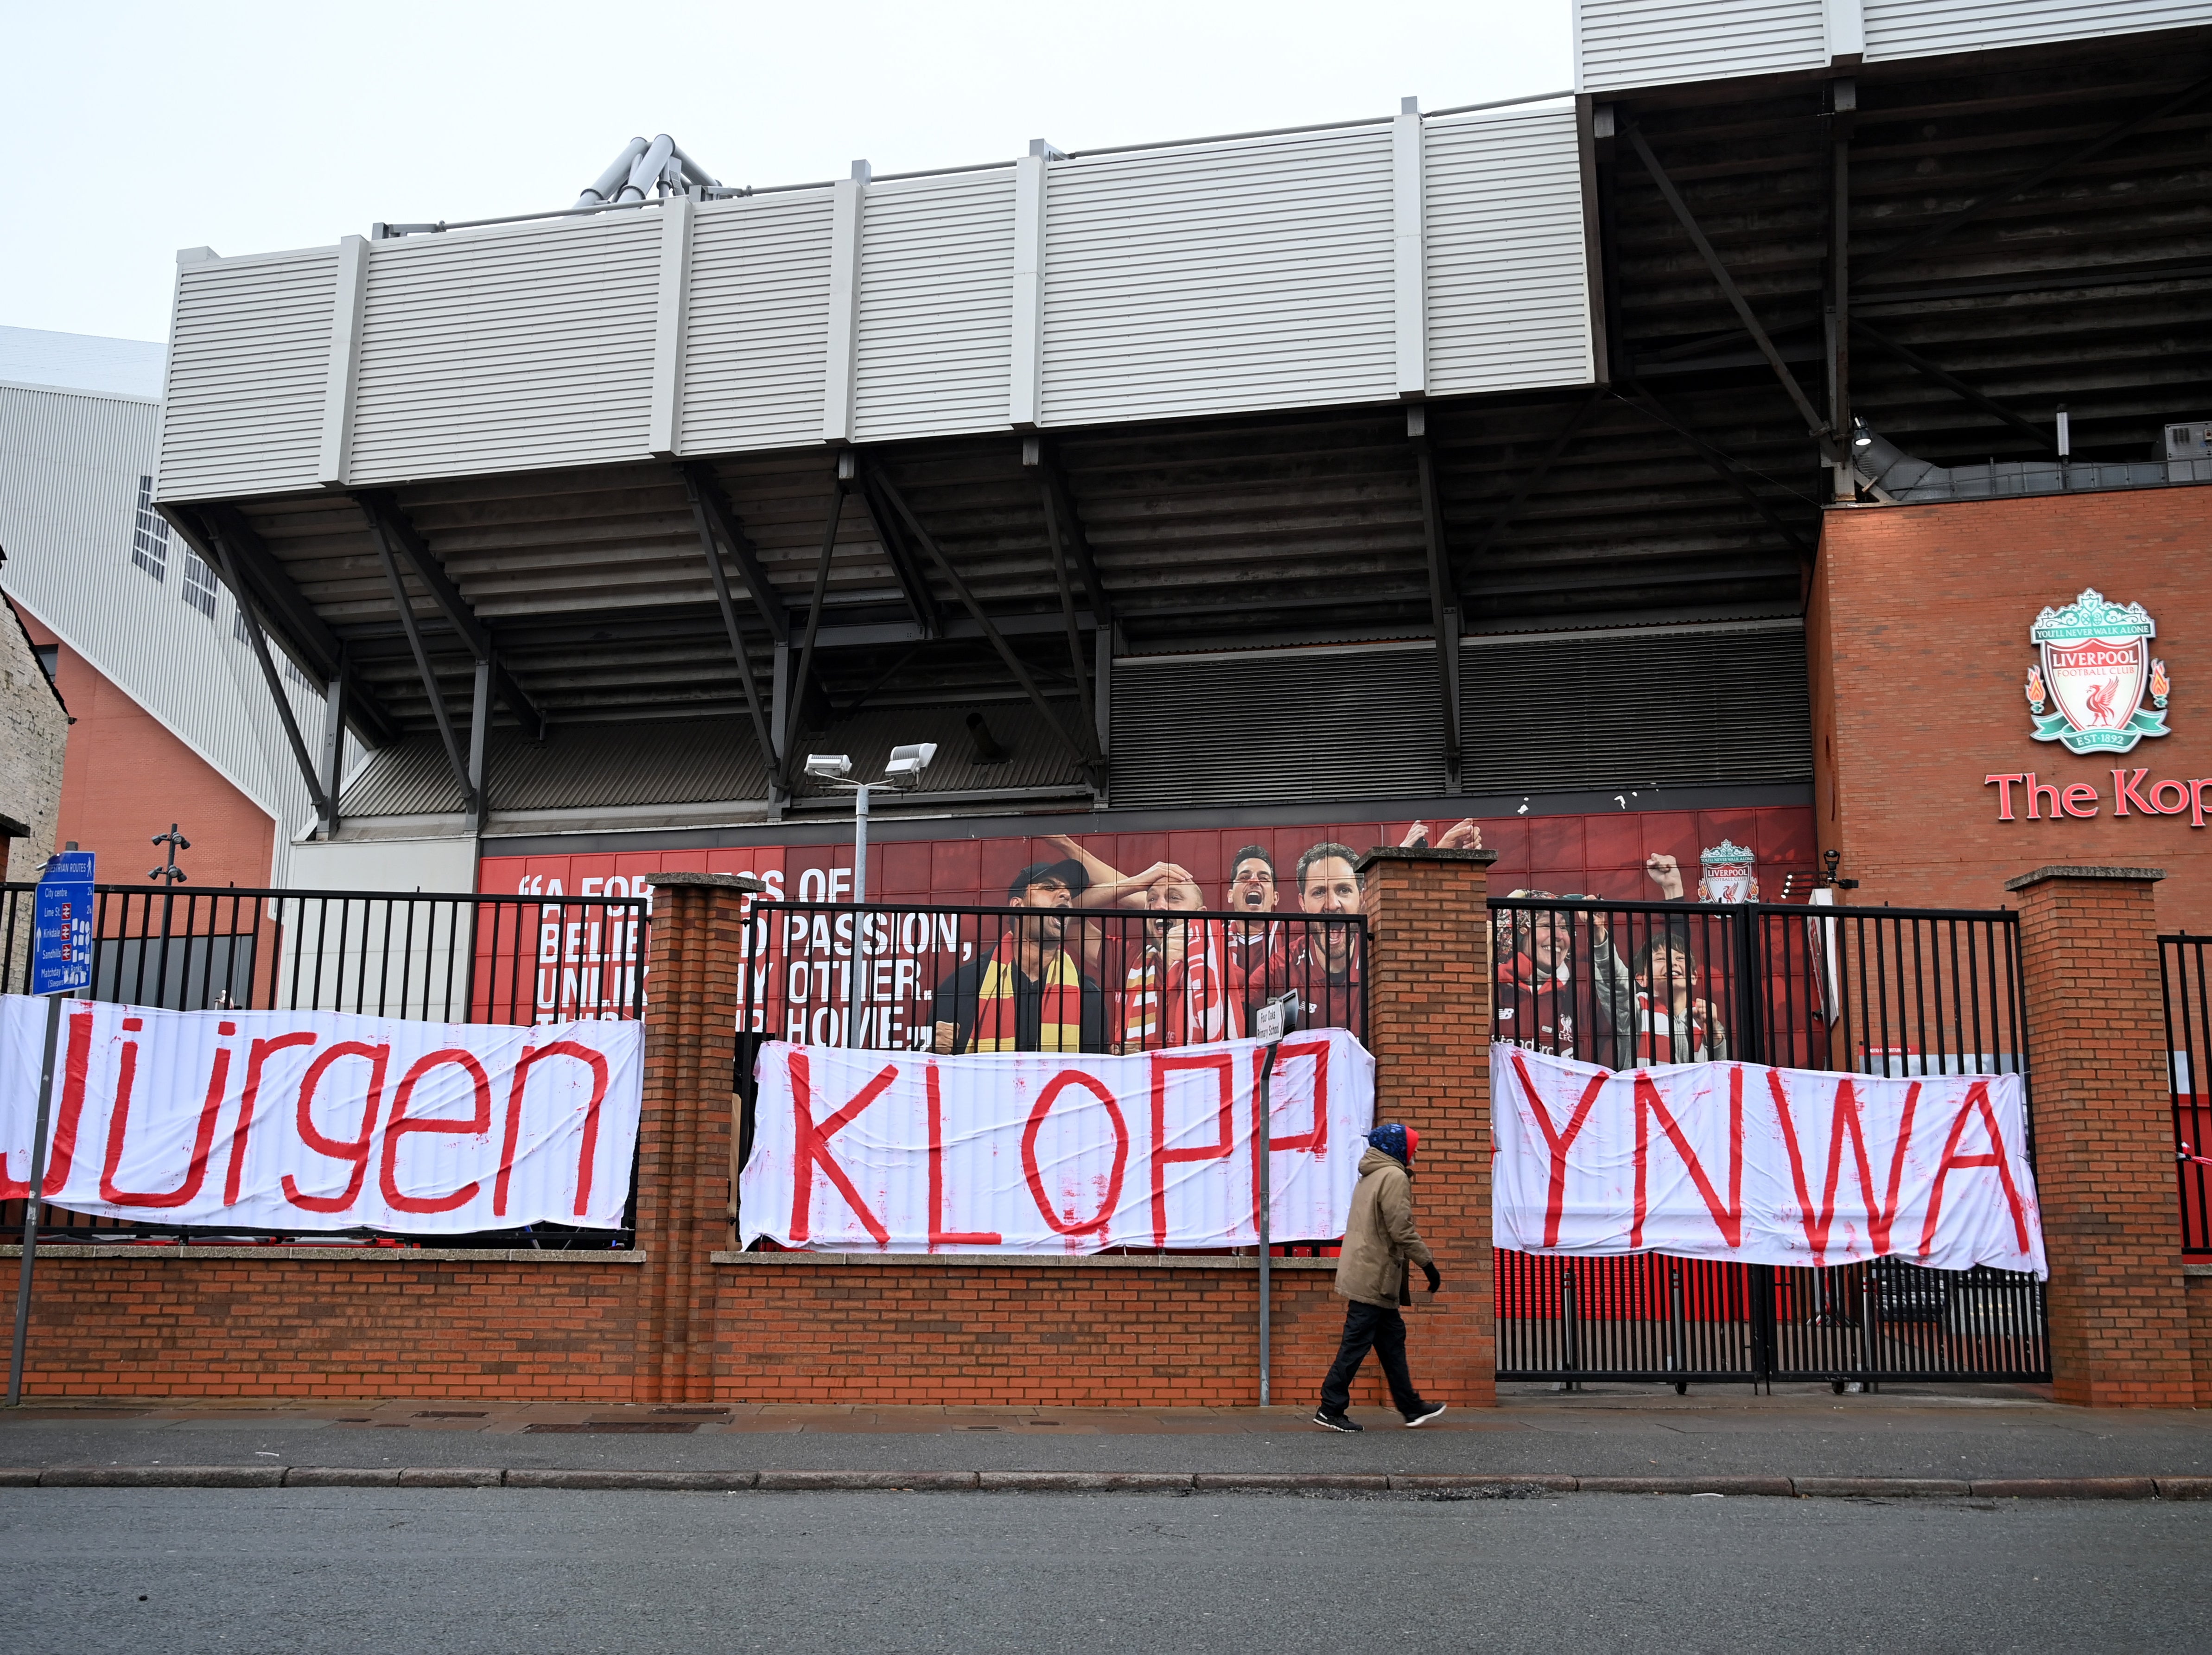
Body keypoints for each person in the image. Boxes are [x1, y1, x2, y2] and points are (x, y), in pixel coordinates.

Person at [1315, 1122, 1446, 1432]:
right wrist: (1428, 1265)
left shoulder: (1371, 1175)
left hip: (1368, 1272)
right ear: (1400, 1149)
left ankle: (1411, 1407)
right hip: (1374, 1276)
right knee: (1355, 1344)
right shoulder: (1394, 1176)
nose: (1415, 1153)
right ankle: (1330, 1408)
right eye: (1412, 1147)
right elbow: (1401, 1229)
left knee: (1391, 1342)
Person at [930, 861, 1108, 1053]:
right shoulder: (964, 984)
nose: (1066, 895)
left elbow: (1097, 1074)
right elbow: (933, 1071)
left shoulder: (1087, 994)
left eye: (1069, 894)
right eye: (1049, 887)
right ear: (1017, 905)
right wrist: (935, 1052)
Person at [1113, 870, 1243, 1051]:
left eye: (1174, 898)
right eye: (1151, 899)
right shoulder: (1128, 958)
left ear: (1200, 915)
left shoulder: (1221, 963)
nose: (1159, 906)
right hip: (1141, 1077)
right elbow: (1070, 919)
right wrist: (1137, 881)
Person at [1287, 841, 1367, 1038]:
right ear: (1302, 903)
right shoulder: (1280, 970)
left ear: (1362, 899)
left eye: (1344, 890)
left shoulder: (1383, 963)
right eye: (1319, 892)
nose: (1332, 905)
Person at [1628, 933, 1728, 1063]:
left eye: (1680, 958)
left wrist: (1713, 1030)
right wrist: (1599, 937)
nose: (1672, 962)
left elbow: (1720, 1071)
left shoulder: (1705, 1018)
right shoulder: (1634, 1010)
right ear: (1642, 979)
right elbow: (1614, 985)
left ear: (1693, 977)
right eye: (1660, 959)